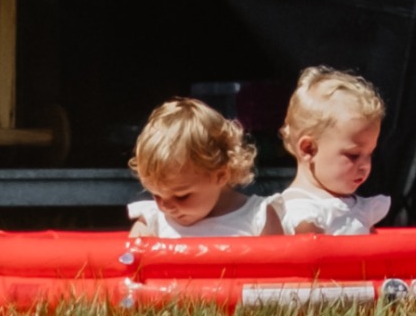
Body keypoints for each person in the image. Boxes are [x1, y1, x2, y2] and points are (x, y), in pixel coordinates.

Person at [263, 66, 392, 235]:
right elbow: (313, 252)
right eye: (354, 155)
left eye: (370, 154)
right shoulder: (302, 213)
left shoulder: (359, 207)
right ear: (308, 149)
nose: (366, 166)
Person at [125, 96, 272, 238]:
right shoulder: (153, 222)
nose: (166, 207)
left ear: (220, 175)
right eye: (157, 195)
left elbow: (279, 255)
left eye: (181, 196)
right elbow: (132, 254)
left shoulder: (257, 217)